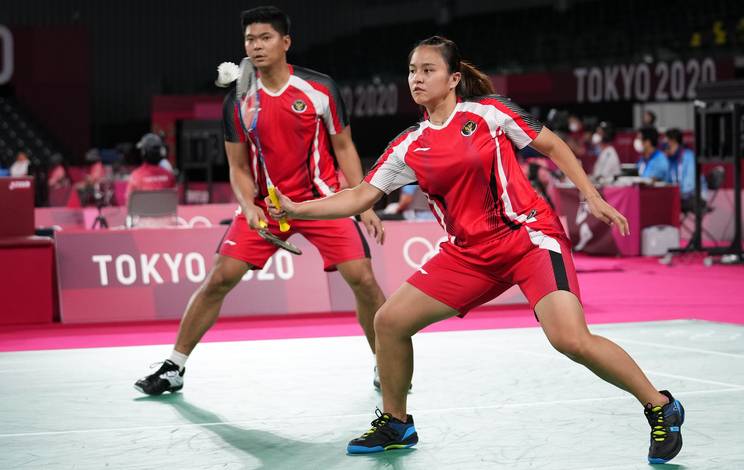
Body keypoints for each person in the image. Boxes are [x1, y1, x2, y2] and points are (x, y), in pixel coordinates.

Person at [268, 36, 684, 464]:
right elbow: (359, 196)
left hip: (527, 239)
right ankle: (396, 423)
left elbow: (553, 144)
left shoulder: (489, 113)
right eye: (412, 70)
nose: (417, 78)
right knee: (389, 322)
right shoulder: (409, 144)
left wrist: (590, 195)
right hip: (467, 255)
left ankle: (660, 406)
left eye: (428, 70)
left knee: (570, 339)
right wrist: (298, 207)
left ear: (453, 79)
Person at [134, 6, 388, 395]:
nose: (256, 46)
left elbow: (344, 147)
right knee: (219, 278)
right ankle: (174, 366)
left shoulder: (319, 89)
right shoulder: (238, 101)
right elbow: (237, 167)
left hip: (321, 202)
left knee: (364, 280)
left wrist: (362, 201)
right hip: (265, 207)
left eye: (265, 38)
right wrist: (248, 206)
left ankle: (384, 362)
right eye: (250, 39)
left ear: (285, 42)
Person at [125, 133, 177, 204]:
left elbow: (128, 202)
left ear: (143, 153)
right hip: (165, 214)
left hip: (142, 214)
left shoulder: (135, 176)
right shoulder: (169, 176)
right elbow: (173, 201)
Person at [664, 128, 696, 210]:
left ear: (673, 141)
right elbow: (668, 181)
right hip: (677, 195)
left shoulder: (688, 156)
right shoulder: (671, 159)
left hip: (692, 196)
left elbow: (689, 184)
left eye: (667, 144)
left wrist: (675, 193)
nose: (666, 148)